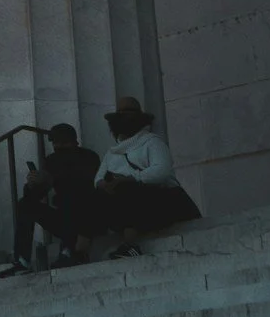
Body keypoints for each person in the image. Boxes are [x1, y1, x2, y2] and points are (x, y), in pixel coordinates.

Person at [73, 97, 201, 258]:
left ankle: (130, 245)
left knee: (127, 189)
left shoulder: (152, 142)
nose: (124, 118)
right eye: (120, 114)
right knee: (89, 199)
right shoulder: (112, 152)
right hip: (125, 201)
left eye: (128, 114)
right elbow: (98, 179)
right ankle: (80, 252)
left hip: (164, 201)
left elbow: (162, 171)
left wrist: (130, 178)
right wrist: (105, 185)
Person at [1, 124, 99, 274]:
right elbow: (36, 195)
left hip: (87, 217)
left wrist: (51, 178)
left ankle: (68, 252)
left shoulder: (89, 157)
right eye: (56, 143)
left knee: (68, 198)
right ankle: (22, 260)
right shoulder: (52, 161)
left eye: (64, 142)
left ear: (75, 142)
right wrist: (33, 185)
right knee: (25, 204)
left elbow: (85, 185)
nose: (59, 146)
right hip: (65, 219)